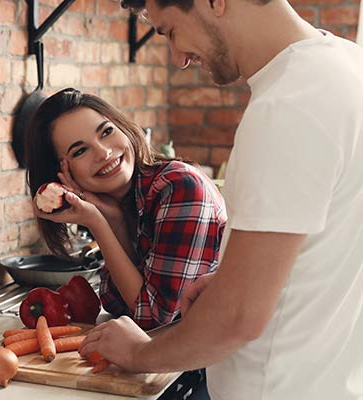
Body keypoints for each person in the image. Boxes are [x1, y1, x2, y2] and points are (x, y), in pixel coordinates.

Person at [78, 0, 363, 399]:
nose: (177, 58)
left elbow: (237, 319)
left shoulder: (289, 105)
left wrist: (140, 351)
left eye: (171, 31)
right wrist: (233, 280)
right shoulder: (347, 66)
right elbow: (334, 244)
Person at [26, 88, 227, 330]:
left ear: (123, 126)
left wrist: (98, 222)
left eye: (107, 132)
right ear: (62, 175)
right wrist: (115, 221)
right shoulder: (126, 203)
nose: (103, 152)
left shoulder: (180, 188)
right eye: (80, 151)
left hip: (224, 361)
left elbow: (152, 317)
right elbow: (116, 301)